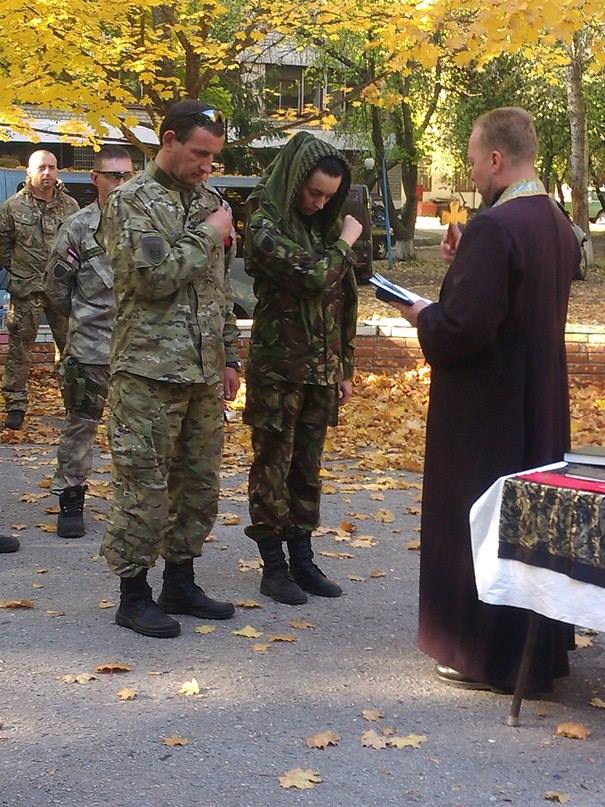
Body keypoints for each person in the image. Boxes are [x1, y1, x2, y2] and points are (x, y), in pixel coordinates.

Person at [393, 107, 579, 693]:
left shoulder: (496, 228)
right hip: (536, 400)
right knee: (529, 526)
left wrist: (424, 313)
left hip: (486, 412)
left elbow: (464, 330)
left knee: (484, 520)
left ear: (496, 160)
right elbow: (514, 301)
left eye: (474, 162)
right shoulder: (554, 221)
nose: (472, 173)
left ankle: (481, 652)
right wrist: (464, 266)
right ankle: (534, 653)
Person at [96, 100, 240, 638]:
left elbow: (218, 290)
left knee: (198, 484)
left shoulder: (209, 200)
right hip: (148, 372)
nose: (207, 166)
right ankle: (133, 594)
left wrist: (228, 355)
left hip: (202, 372)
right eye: (200, 154)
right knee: (144, 486)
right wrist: (209, 235)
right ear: (169, 139)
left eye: (214, 157)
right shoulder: (132, 200)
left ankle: (180, 579)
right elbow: (151, 278)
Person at [243, 132, 361, 605]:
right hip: (278, 367)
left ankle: (302, 557)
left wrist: (344, 365)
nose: (319, 202)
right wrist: (346, 243)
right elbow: (312, 276)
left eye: (329, 196)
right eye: (313, 192)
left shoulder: (322, 228)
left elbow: (343, 298)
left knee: (308, 467)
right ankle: (273, 565)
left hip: (320, 369)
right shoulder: (264, 219)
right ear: (294, 179)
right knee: (273, 463)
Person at [44, 146, 133, 538]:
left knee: (138, 430)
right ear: (95, 179)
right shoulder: (77, 227)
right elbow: (56, 291)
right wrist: (77, 334)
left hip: (140, 350)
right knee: (81, 425)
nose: (120, 183)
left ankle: (134, 503)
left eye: (127, 175)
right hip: (91, 348)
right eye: (112, 175)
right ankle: (71, 500)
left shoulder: (149, 226)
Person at [0, 150, 79, 430]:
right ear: (29, 172)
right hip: (26, 289)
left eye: (52, 167)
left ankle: (74, 405)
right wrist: (20, 269)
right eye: (41, 167)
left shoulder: (70, 207)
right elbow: (3, 245)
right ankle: (16, 405)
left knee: (70, 349)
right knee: (20, 351)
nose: (47, 173)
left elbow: (78, 245)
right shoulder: (12, 207)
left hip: (62, 291)